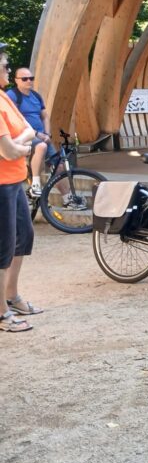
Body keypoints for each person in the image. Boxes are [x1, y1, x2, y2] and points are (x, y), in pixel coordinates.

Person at [0, 44, 40, 331]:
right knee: (3, 248)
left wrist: (19, 144)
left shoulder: (4, 97)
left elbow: (29, 128)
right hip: (1, 185)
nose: (8, 69)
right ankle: (1, 313)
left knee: (23, 238)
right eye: (4, 65)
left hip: (15, 180)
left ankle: (11, 296)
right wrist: (23, 147)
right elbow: (8, 151)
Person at [5, 66, 82, 209]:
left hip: (42, 136)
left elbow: (45, 116)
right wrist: (36, 133)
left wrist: (47, 133)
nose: (29, 81)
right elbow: (15, 118)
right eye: (24, 79)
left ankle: (67, 199)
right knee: (41, 147)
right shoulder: (12, 95)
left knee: (59, 165)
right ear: (16, 80)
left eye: (31, 78)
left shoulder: (36, 96)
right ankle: (35, 185)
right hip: (25, 136)